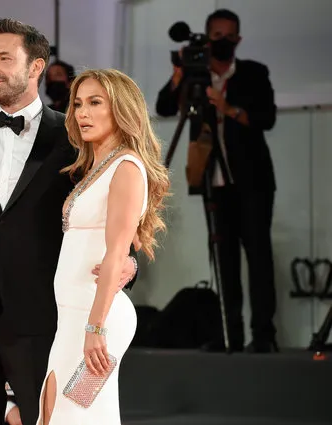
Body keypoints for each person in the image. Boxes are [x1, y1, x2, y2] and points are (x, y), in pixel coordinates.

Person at [0, 19, 139, 425]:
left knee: (51, 417)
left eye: (4, 58)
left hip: (45, 313)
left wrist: (131, 263)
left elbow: (111, 209)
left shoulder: (74, 135)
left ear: (36, 67)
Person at [37, 69, 169, 424]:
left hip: (99, 321)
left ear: (121, 110)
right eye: (78, 103)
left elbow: (117, 252)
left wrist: (95, 328)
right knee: (53, 414)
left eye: (96, 102)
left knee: (73, 416)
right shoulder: (96, 168)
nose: (82, 112)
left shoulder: (126, 167)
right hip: (73, 318)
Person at [155, 9, 278, 353]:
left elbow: (266, 118)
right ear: (207, 38)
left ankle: (264, 335)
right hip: (214, 180)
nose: (222, 41)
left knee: (258, 257)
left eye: (229, 35)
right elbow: (164, 106)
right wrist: (180, 73)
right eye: (216, 35)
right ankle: (230, 334)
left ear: (238, 39)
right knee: (222, 260)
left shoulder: (254, 73)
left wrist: (227, 107)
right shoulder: (197, 75)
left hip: (252, 182)